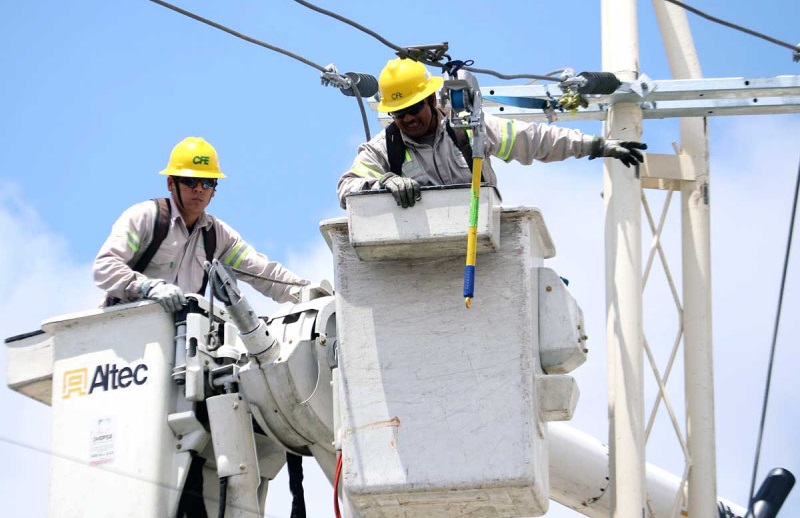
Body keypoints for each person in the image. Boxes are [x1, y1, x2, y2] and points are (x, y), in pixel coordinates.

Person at [337, 57, 647, 209]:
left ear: (432, 100)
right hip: (421, 252)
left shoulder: (469, 131)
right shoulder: (384, 148)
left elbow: (535, 140)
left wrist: (596, 145)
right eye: (399, 113)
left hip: (479, 239)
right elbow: (346, 189)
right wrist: (383, 182)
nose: (407, 119)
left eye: (414, 109)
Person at [94, 136, 311, 312]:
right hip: (126, 332)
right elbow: (105, 267)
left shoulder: (216, 236)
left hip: (178, 344)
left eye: (207, 183)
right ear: (171, 183)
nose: (199, 189)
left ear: (214, 189)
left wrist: (308, 294)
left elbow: (264, 274)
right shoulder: (146, 217)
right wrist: (148, 287)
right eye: (190, 181)